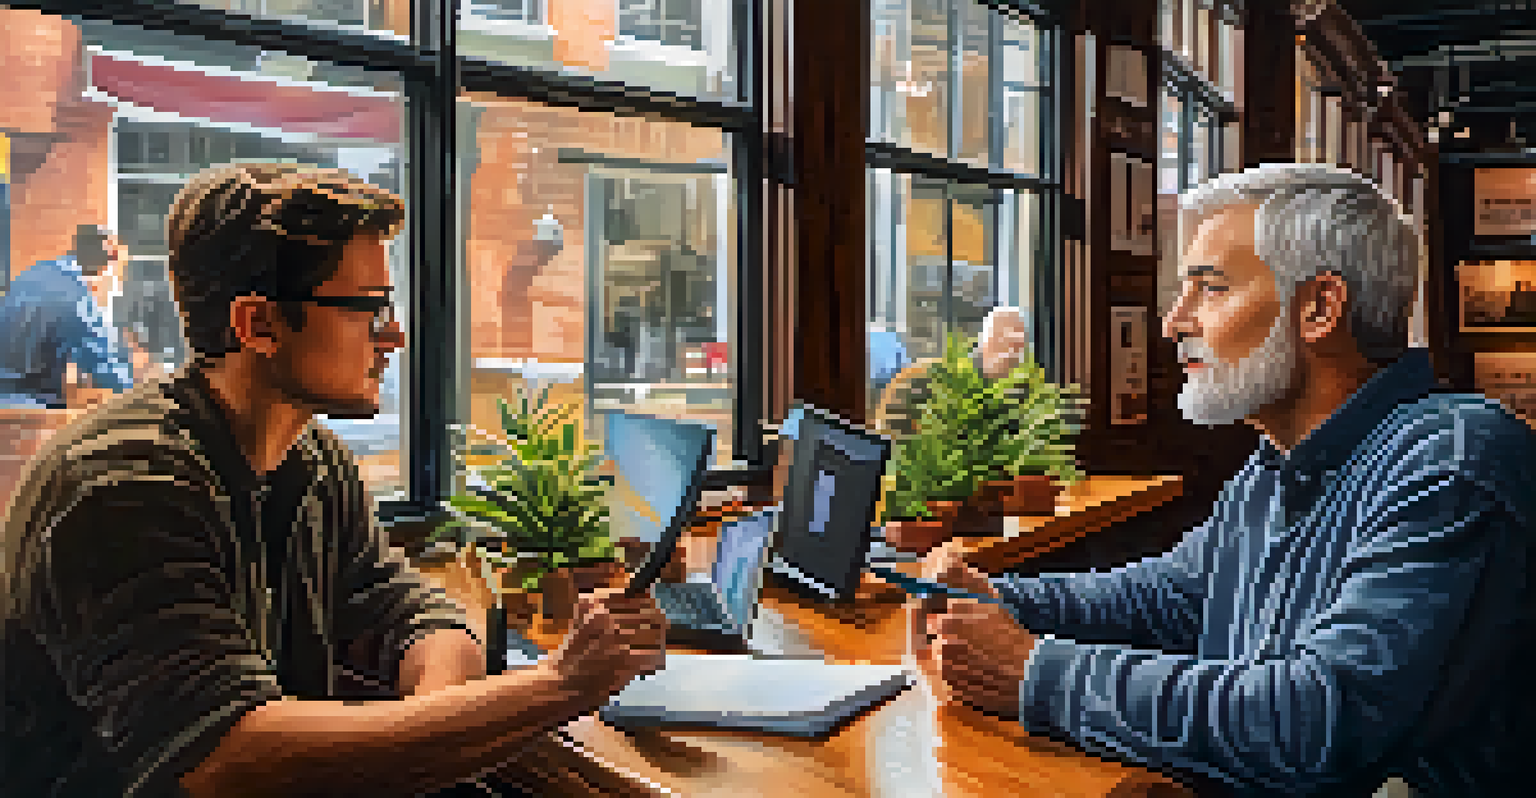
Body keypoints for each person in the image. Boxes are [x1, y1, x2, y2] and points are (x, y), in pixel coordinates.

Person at [1, 163, 668, 798]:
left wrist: (432, 729)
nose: (395, 336)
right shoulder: (125, 485)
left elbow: (411, 612)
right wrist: (556, 685)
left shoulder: (309, 458)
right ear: (257, 323)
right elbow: (228, 761)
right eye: (370, 309)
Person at [912, 163, 1536, 797]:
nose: (1174, 321)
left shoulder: (1453, 461)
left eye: (1209, 290)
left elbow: (1318, 720)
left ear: (1319, 308)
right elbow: (1165, 600)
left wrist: (1034, 672)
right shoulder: (1275, 464)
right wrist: (993, 598)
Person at [0, 224, 134, 408]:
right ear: (108, 261)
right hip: (27, 403)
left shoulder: (37, 273)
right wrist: (141, 394)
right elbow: (102, 363)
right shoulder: (74, 292)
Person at [874, 305, 1033, 437]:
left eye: (1019, 345)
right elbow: (890, 430)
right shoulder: (926, 376)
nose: (1012, 352)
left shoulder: (1019, 392)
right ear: (984, 341)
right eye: (1005, 340)